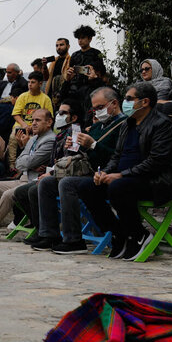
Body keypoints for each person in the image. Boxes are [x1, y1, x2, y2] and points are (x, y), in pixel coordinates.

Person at [76, 82, 172, 260]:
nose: (124, 102)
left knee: (117, 187)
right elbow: (117, 156)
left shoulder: (162, 124)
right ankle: (119, 233)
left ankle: (138, 234)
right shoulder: (128, 124)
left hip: (156, 181)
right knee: (86, 187)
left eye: (128, 99)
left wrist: (121, 175)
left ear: (145, 102)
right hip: (127, 180)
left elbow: (156, 162)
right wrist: (105, 172)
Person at [34, 88, 126, 253]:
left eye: (100, 107)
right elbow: (89, 156)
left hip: (108, 175)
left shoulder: (124, 125)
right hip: (89, 171)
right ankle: (49, 235)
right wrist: (76, 147)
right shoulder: (98, 127)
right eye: (94, 109)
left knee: (67, 183)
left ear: (114, 103)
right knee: (47, 183)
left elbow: (118, 157)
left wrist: (93, 145)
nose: (97, 112)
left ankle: (74, 240)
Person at [0, 109, 55, 240]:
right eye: (32, 120)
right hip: (24, 177)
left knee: (9, 194)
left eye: (38, 120)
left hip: (35, 181)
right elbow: (20, 163)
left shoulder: (50, 140)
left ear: (49, 123)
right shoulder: (33, 139)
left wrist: (27, 161)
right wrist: (27, 160)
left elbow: (27, 161)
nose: (33, 123)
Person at [14, 100, 85, 247]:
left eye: (63, 113)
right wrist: (49, 168)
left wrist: (52, 171)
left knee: (34, 189)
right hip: (54, 173)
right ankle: (43, 231)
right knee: (22, 192)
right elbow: (20, 163)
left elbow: (72, 160)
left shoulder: (75, 132)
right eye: (58, 112)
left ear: (74, 117)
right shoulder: (61, 134)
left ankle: (50, 234)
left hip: (68, 175)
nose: (59, 115)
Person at [7, 71, 53, 173]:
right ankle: (12, 166)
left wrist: (33, 126)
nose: (30, 85)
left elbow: (49, 117)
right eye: (29, 82)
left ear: (40, 84)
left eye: (33, 82)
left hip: (37, 128)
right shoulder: (23, 96)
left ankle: (27, 167)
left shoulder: (45, 99)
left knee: (32, 141)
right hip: (22, 126)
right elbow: (15, 114)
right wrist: (24, 125)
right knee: (13, 138)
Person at [44, 38, 72, 105]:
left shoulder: (71, 60)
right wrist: (44, 66)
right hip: (51, 96)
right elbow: (46, 78)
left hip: (65, 95)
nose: (59, 47)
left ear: (68, 46)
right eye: (57, 46)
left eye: (61, 45)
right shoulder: (53, 61)